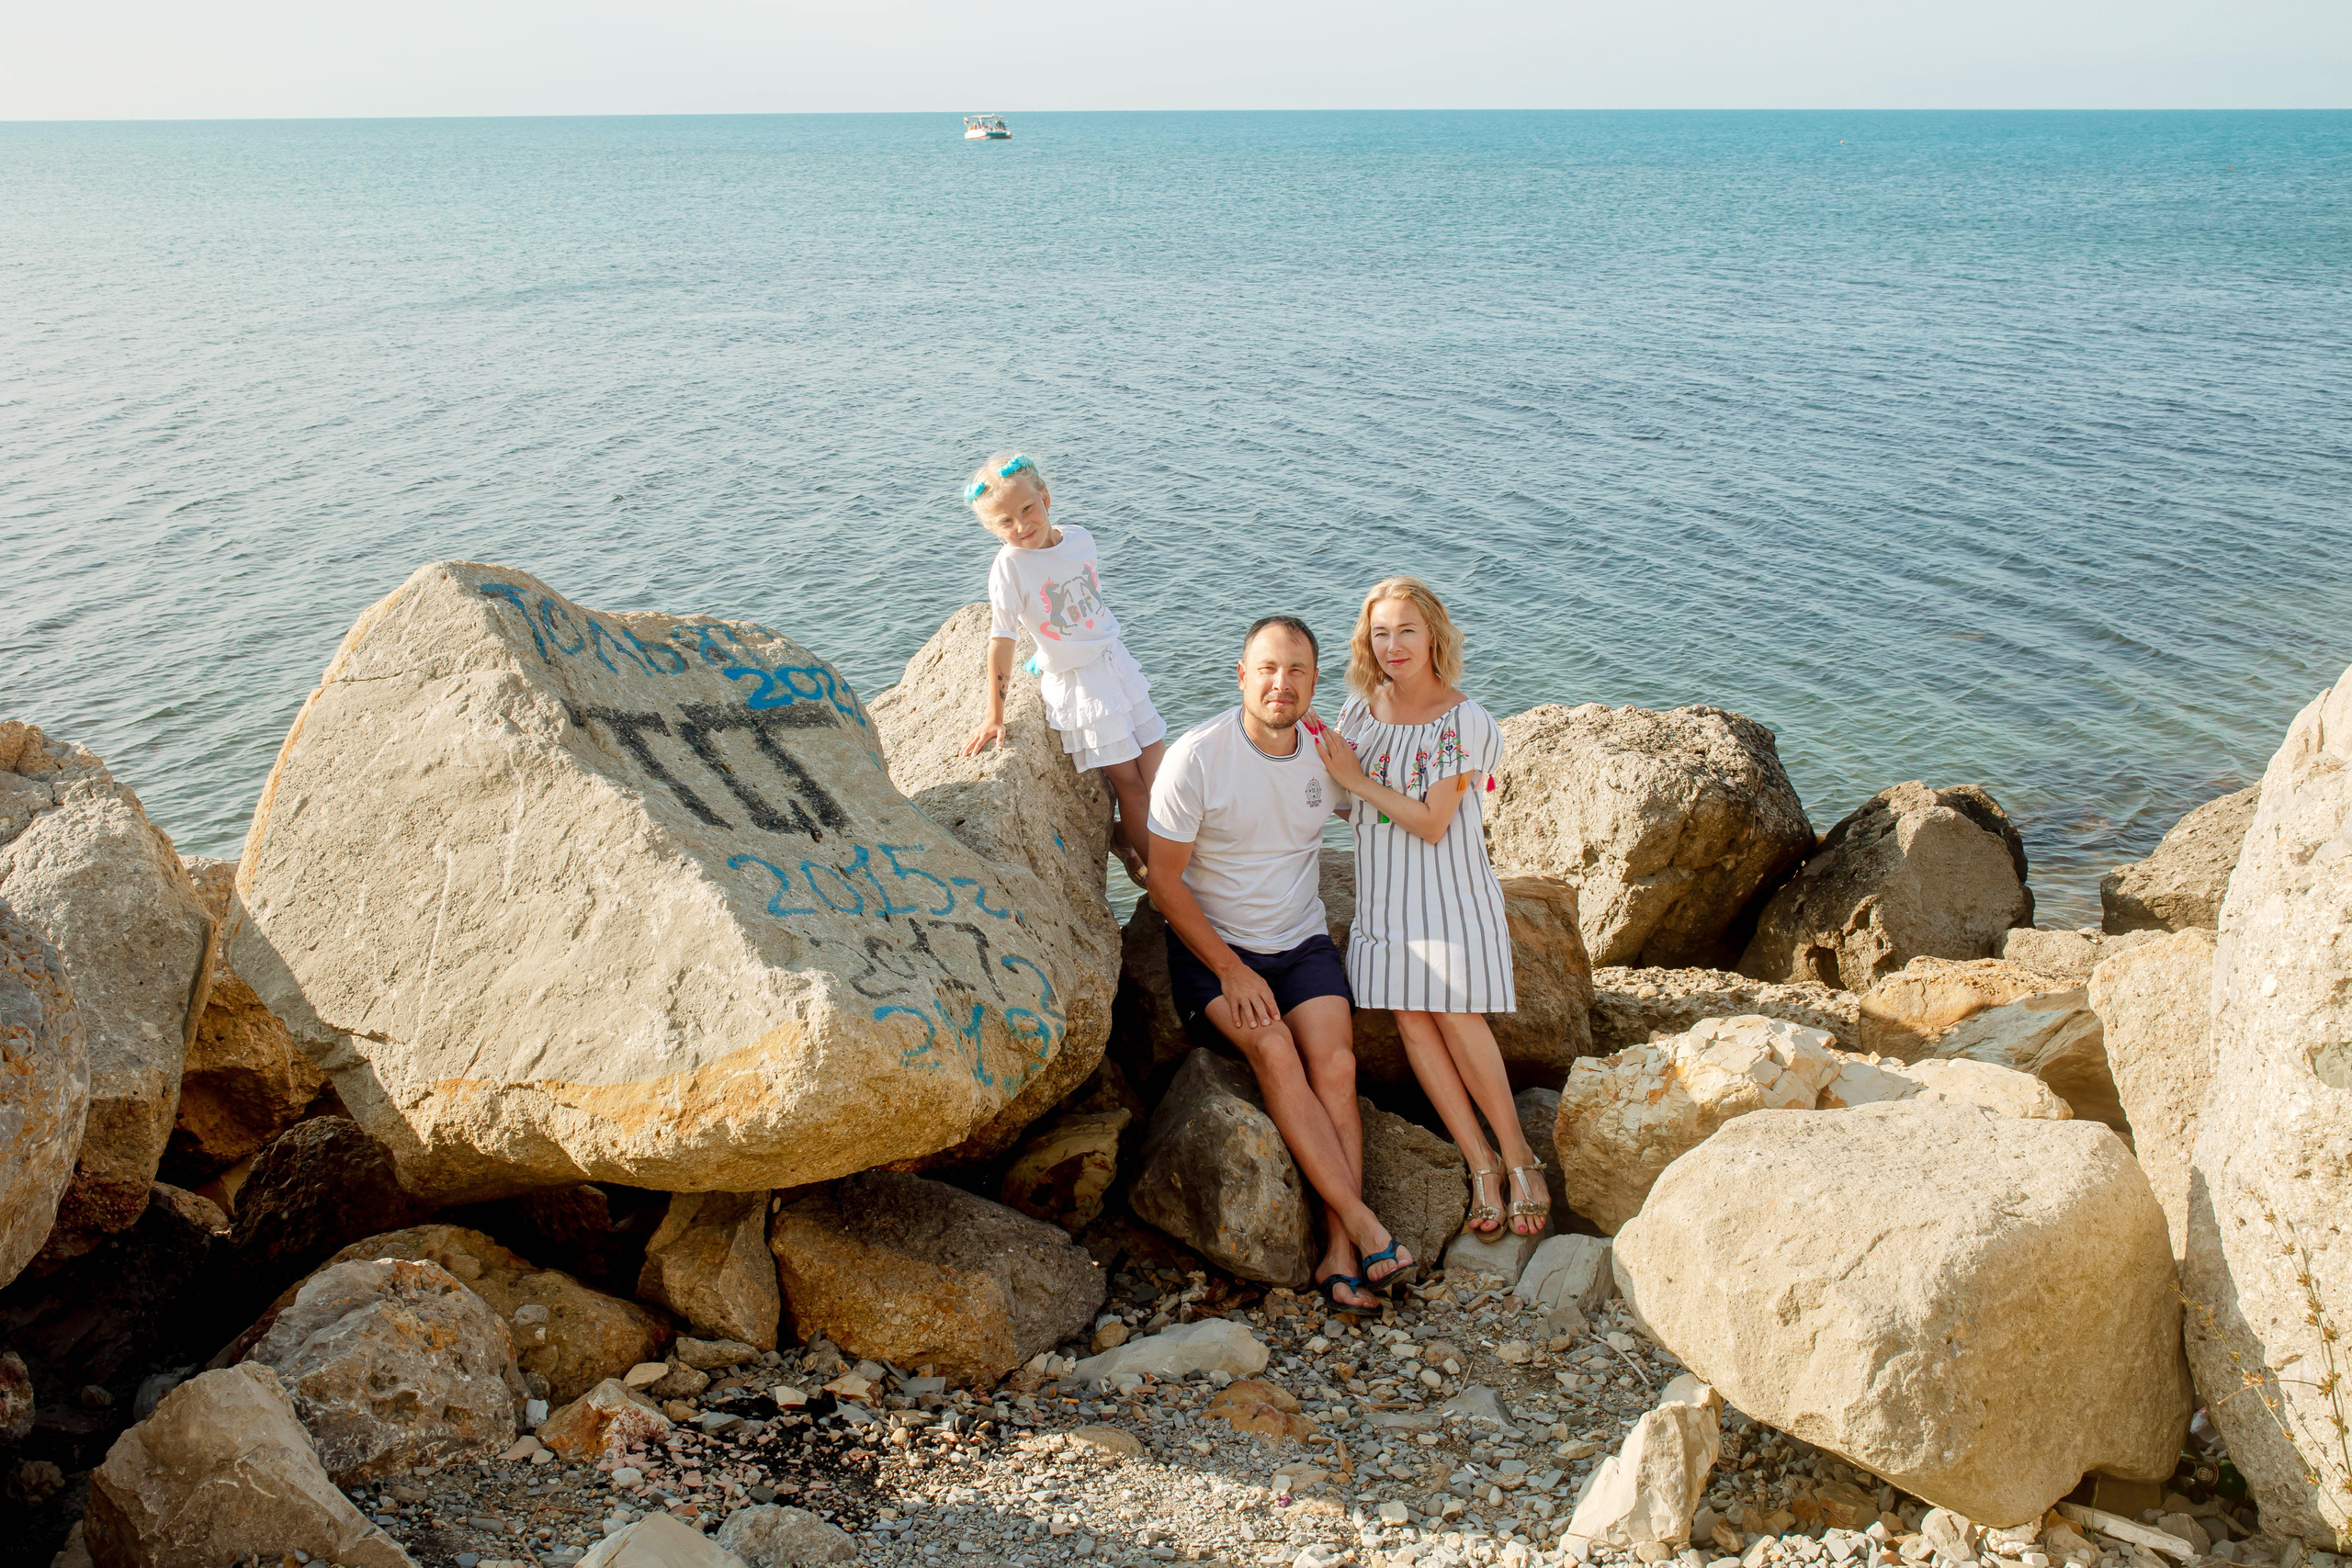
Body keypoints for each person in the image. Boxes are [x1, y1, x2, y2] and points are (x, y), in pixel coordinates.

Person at [1147, 615, 1416, 1311]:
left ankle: (1336, 1250)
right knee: (1273, 1046)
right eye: (1267, 668)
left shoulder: (1328, 755)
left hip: (1301, 943)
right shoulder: (1197, 757)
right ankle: (1360, 1223)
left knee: (1338, 1064)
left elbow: (1389, 815)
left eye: (1296, 671)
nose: (1281, 683)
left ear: (1314, 683)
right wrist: (1231, 970)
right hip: (1219, 953)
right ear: (1242, 675)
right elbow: (1163, 881)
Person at [1309, 576, 1551, 1237]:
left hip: (1448, 893)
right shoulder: (1360, 711)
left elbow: (1434, 820)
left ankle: (1521, 1158)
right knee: (1413, 1023)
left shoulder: (1462, 720)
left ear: (1434, 634)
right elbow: (1344, 801)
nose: (1393, 645)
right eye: (1380, 632)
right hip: (1384, 897)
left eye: (1406, 630)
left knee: (1454, 1014)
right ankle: (1481, 1165)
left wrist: (1356, 779)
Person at [960, 451, 1166, 886]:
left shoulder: (1080, 539)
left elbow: (1081, 610)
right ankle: (1165, 878)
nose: (1021, 526)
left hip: (1114, 662)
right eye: (1005, 523)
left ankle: (1132, 840)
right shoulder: (1010, 567)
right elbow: (1002, 638)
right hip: (1082, 683)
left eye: (1027, 509)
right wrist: (994, 715)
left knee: (1161, 770)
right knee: (1130, 784)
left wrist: (1049, 646)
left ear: (1046, 497)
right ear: (992, 530)